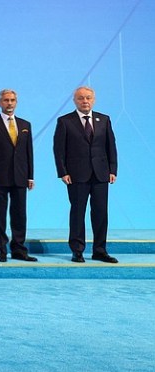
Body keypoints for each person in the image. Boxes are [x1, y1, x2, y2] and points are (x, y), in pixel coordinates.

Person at [54, 86, 118, 263]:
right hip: (76, 175)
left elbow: (111, 146)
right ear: (74, 100)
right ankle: (77, 250)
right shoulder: (65, 121)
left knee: (101, 213)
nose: (85, 101)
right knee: (77, 213)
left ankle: (100, 251)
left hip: (101, 174)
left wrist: (112, 170)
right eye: (81, 98)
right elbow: (59, 150)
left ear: (94, 100)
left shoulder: (104, 119)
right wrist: (63, 172)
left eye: (88, 98)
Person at [0, 89, 36, 262]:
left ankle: (19, 249)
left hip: (20, 177)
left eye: (12, 100)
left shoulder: (25, 124)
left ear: (16, 102)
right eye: (6, 100)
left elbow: (29, 152)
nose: (9, 103)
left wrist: (30, 176)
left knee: (20, 214)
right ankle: (1, 250)